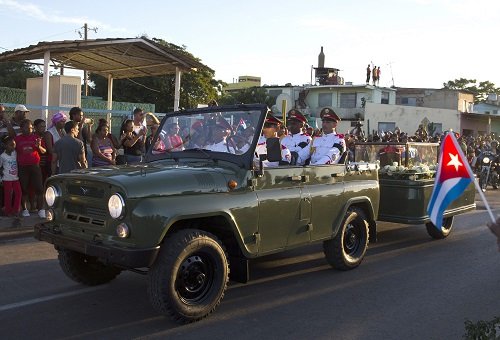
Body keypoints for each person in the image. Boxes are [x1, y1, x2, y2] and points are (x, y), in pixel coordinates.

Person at [14, 119, 46, 218]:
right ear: (21, 128)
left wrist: (39, 146)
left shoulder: (36, 138)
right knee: (24, 189)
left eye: (31, 128)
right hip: (22, 167)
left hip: (35, 166)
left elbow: (44, 151)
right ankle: (25, 210)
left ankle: (41, 210)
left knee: (39, 189)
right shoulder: (17, 139)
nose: (30, 129)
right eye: (27, 128)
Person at [0, 136, 21, 217]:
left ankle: (15, 210)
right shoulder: (2, 156)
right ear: (5, 145)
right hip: (6, 179)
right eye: (11, 145)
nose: (13, 146)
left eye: (14, 144)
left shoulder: (15, 153)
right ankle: (8, 211)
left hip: (15, 178)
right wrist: (0, 179)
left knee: (18, 193)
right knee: (8, 195)